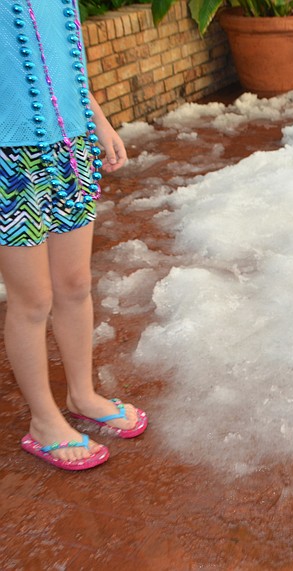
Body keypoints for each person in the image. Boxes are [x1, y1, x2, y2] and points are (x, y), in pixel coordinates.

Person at [1, 0, 146, 471]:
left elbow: (68, 66)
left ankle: (82, 393)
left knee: (74, 285)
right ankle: (43, 421)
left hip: (71, 148)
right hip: (10, 156)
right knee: (32, 298)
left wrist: (99, 124)